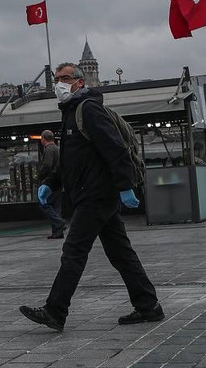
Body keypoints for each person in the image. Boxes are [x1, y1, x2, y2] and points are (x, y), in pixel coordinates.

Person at [20, 62, 163, 332]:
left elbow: (115, 148)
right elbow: (73, 160)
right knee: (120, 252)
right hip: (94, 194)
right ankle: (149, 306)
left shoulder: (88, 109)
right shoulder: (71, 112)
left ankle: (55, 310)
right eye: (57, 79)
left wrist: (125, 185)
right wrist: (52, 183)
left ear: (80, 82)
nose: (59, 84)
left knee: (73, 251)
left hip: (96, 195)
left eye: (65, 78)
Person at [37, 130, 67, 239]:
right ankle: (58, 232)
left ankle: (59, 223)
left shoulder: (49, 149)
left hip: (50, 181)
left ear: (43, 139)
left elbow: (47, 165)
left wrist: (41, 176)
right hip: (58, 181)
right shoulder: (57, 149)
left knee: (43, 204)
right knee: (56, 207)